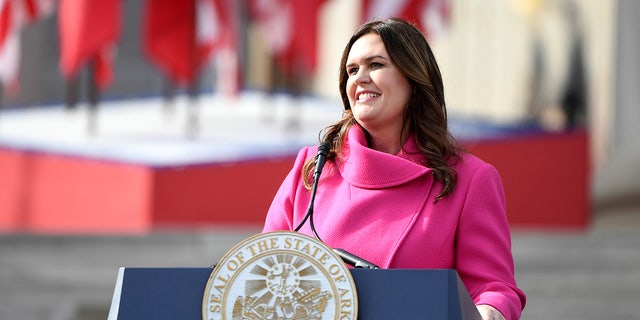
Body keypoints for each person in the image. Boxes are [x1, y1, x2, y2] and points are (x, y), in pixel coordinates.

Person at [262, 18, 526, 320]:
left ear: (414, 77)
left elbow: (493, 286)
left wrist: (491, 312)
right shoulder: (312, 168)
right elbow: (264, 268)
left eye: (375, 64)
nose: (359, 78)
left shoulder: (469, 178)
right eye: (352, 70)